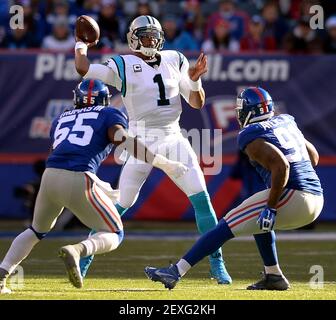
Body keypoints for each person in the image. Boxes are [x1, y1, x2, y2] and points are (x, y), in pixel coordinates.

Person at [74, 15, 232, 284]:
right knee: (121, 204)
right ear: (134, 38)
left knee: (202, 199)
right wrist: (81, 44)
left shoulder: (174, 58)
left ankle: (217, 263)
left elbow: (196, 103)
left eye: (155, 35)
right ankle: (85, 256)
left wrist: (194, 81)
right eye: (146, 36)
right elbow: (84, 69)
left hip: (173, 136)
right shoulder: (123, 63)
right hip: (141, 140)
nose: (152, 40)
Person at [0, 79, 188, 294]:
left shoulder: (62, 118)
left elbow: (61, 155)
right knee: (114, 233)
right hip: (78, 177)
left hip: (50, 176)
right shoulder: (108, 114)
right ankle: (78, 250)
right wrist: (164, 163)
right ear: (105, 99)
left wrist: (97, 184)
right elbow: (125, 141)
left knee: (36, 230)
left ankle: (1, 276)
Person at [145, 87, 324, 291]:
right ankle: (273, 276)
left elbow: (281, 166)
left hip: (293, 195)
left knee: (225, 226)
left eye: (240, 109)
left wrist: (272, 206)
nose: (238, 113)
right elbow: (314, 157)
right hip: (316, 198)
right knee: (258, 224)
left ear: (249, 111)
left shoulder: (251, 133)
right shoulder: (287, 122)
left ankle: (175, 271)